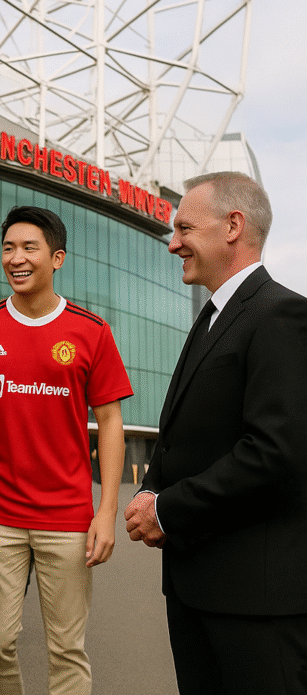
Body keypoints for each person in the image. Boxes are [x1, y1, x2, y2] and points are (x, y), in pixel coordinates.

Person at [124, 171, 307, 694]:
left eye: (184, 228)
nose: (172, 242)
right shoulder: (212, 318)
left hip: (255, 605)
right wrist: (150, 488)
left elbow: (272, 453)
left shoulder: (281, 315)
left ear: (233, 225)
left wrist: (168, 509)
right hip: (196, 590)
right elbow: (183, 434)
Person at [0, 205, 133, 695]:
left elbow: (111, 421)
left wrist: (106, 512)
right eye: (8, 247)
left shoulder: (90, 331)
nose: (16, 258)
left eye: (29, 248)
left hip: (67, 518)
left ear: (56, 258)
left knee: (66, 650)